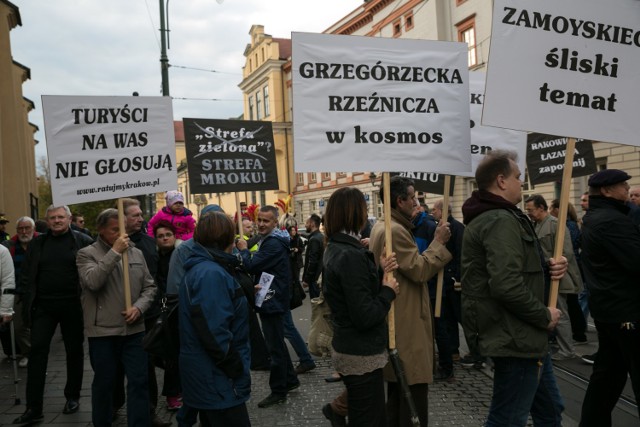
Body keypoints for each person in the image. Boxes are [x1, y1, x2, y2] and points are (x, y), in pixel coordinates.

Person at [461, 150, 566, 426]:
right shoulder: (499, 219)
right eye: (518, 177)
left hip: (524, 335)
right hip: (515, 336)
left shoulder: (504, 216)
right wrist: (544, 315)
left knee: (551, 410)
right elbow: (505, 285)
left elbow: (514, 269)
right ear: (501, 181)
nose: (522, 182)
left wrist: (549, 267)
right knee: (509, 418)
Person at [369, 176, 452, 427]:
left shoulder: (385, 226)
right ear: (400, 200)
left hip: (400, 320)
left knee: (397, 393)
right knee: (412, 396)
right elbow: (419, 270)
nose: (416, 202)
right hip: (407, 323)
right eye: (413, 197)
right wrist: (438, 243)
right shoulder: (395, 231)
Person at [322, 187, 399, 427]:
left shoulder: (338, 247)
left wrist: (380, 270)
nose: (367, 214)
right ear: (355, 213)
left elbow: (354, 292)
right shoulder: (349, 254)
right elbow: (364, 315)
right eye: (365, 209)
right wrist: (388, 291)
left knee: (364, 412)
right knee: (370, 419)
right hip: (360, 351)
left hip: (351, 347)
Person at [76, 208, 157, 427]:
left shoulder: (136, 253)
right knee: (105, 384)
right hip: (103, 332)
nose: (121, 235)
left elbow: (149, 288)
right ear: (101, 230)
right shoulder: (87, 253)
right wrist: (114, 252)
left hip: (134, 331)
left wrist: (139, 308)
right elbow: (93, 281)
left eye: (122, 229)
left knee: (139, 382)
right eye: (114, 230)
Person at [13, 205, 93, 425]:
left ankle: (73, 397)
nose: (56, 221)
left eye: (60, 217)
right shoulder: (38, 243)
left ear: (68, 219)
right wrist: (27, 301)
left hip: (73, 306)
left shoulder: (81, 241)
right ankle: (34, 407)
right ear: (46, 221)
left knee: (74, 351)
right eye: (52, 218)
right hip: (44, 308)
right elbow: (28, 275)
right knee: (37, 353)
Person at [579, 169, 640, 426]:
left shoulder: (596, 216)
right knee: (609, 376)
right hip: (628, 311)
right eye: (623, 185)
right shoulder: (613, 221)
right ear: (606, 191)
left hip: (608, 310)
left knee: (607, 377)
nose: (627, 188)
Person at [180, 211, 252, 427]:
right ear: (227, 238)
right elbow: (214, 332)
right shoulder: (210, 273)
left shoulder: (210, 268)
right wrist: (235, 368)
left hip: (213, 377)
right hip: (218, 379)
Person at [236, 205, 299, 408]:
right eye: (259, 220)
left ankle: (278, 390)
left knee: (274, 347)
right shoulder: (270, 240)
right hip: (271, 297)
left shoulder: (273, 243)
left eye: (266, 221)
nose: (261, 224)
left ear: (274, 223)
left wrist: (244, 251)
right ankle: (290, 380)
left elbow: (251, 266)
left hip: (272, 299)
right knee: (277, 343)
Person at [524, 194, 582, 361]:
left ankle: (567, 350)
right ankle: (554, 343)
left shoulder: (555, 224)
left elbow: (567, 251)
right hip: (544, 276)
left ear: (541, 208)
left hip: (557, 275)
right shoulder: (536, 225)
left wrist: (556, 262)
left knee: (560, 312)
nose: (529, 213)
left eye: (531, 210)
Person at [153, 220, 182, 411]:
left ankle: (179, 391)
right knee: (168, 353)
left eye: (168, 235)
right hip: (162, 309)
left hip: (180, 306)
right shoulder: (154, 256)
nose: (165, 239)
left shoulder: (181, 254)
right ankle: (172, 393)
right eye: (161, 236)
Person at [1, 216, 37, 368]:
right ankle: (29, 353)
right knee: (20, 327)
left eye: (27, 228)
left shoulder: (41, 242)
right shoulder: (8, 245)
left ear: (33, 229)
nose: (24, 231)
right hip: (17, 292)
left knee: (38, 325)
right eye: (20, 228)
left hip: (38, 291)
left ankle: (39, 353)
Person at [302, 213, 324, 299]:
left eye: (307, 223)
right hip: (319, 278)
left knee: (316, 307)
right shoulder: (320, 236)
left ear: (312, 224)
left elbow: (312, 261)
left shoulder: (314, 239)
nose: (305, 225)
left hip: (314, 280)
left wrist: (307, 279)